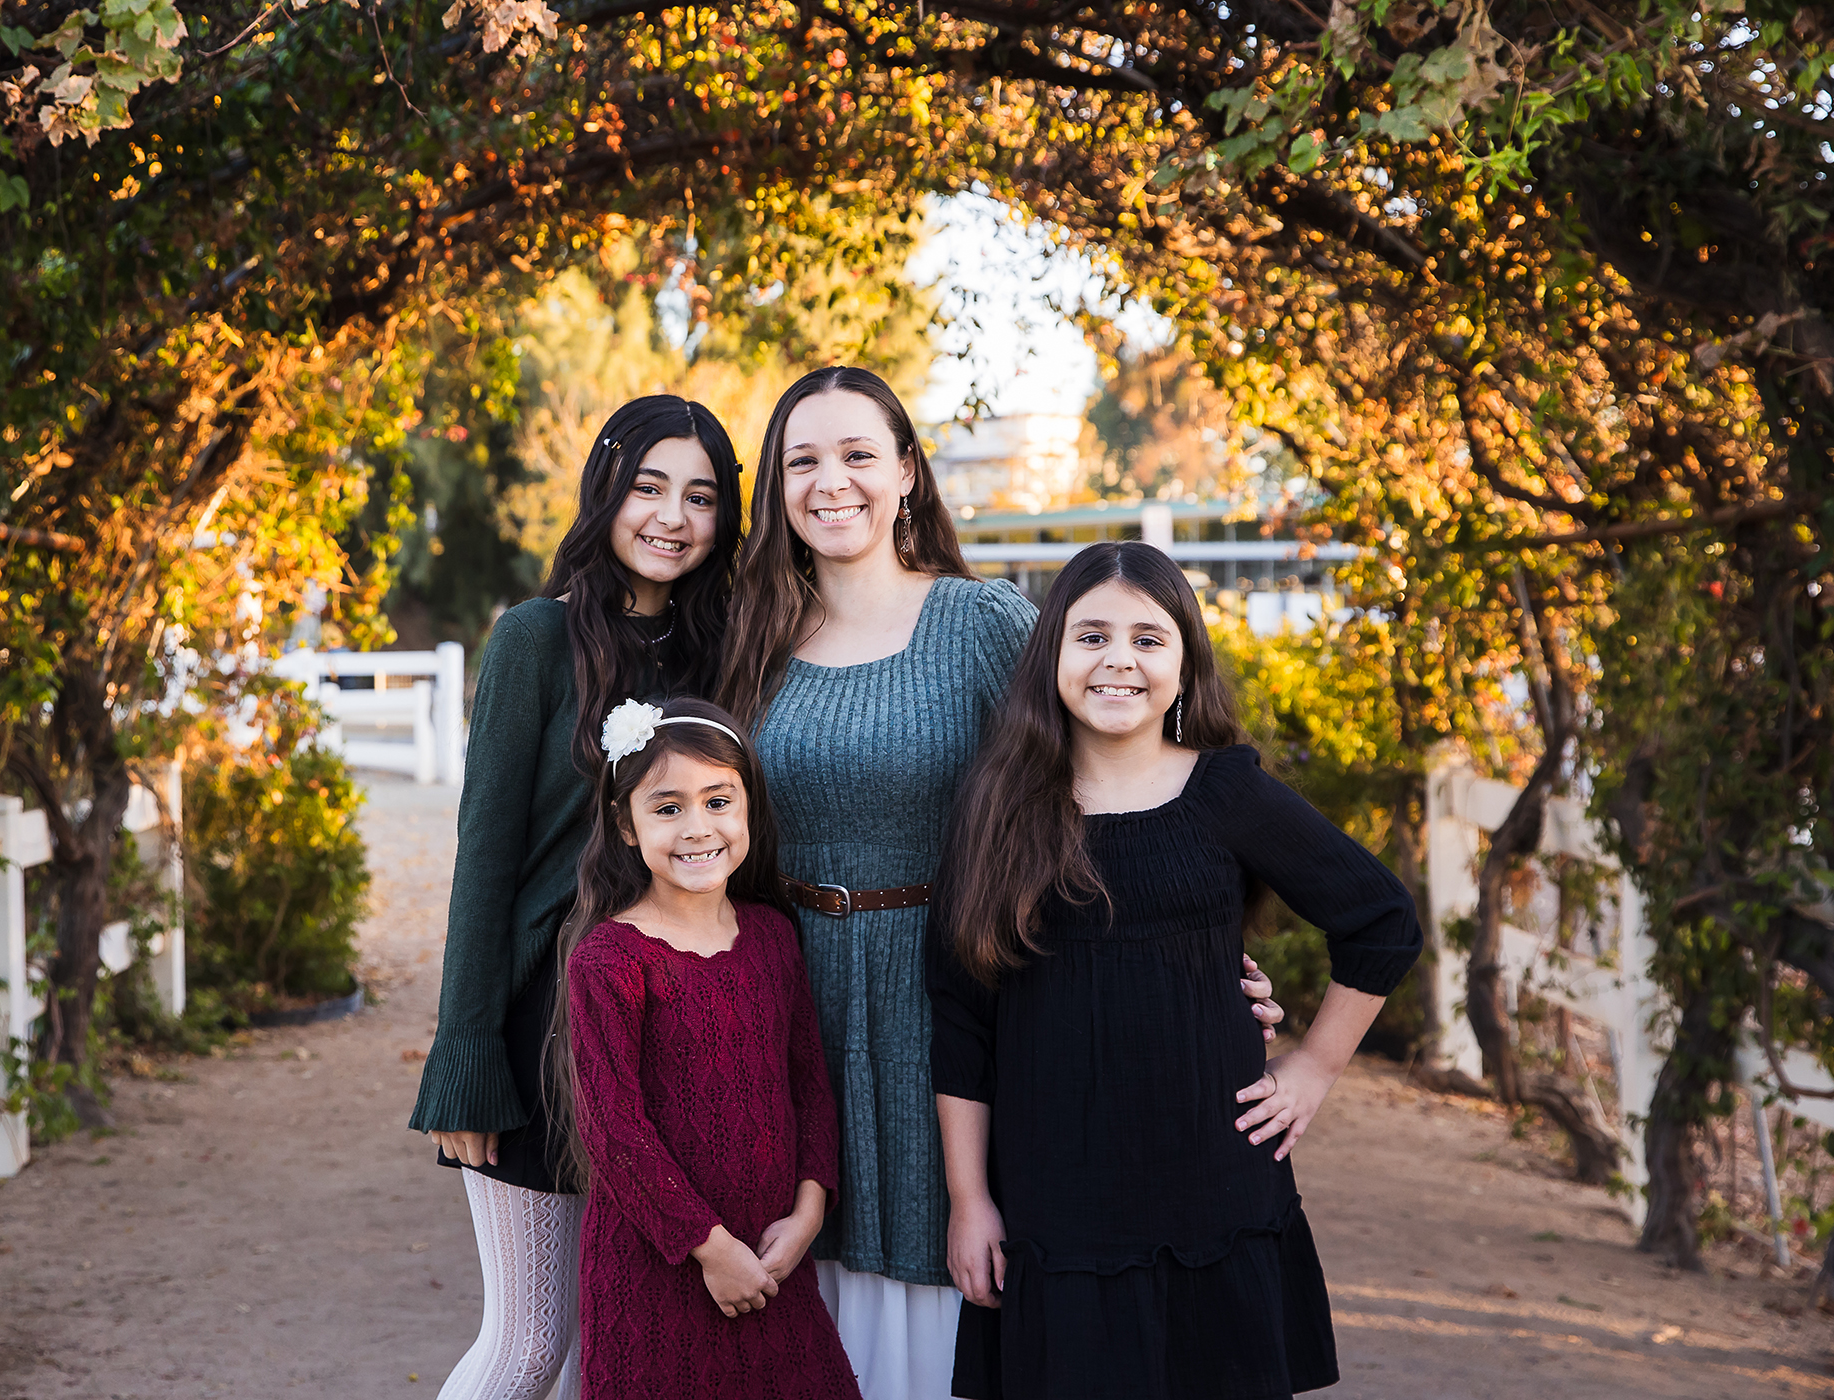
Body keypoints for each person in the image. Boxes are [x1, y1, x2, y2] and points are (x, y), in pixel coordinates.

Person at [718, 368, 1287, 1399]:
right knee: (800, 1258)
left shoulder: (983, 622)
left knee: (963, 1263)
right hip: (793, 994)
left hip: (964, 995)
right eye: (802, 459)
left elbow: (1121, 780)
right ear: (776, 487)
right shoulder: (751, 639)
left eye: (857, 454)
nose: (830, 480)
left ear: (905, 471)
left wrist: (1200, 955)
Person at [928, 541, 1424, 1400]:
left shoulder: (1226, 794)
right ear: (1051, 657)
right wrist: (970, 1200)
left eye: (1148, 639)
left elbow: (1382, 920)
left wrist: (1312, 1067)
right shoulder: (996, 807)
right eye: (1090, 636)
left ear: (1186, 663)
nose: (1118, 659)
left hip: (1214, 1193)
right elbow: (961, 1019)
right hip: (1059, 1205)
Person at [410, 396, 744, 1400]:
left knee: (613, 1348)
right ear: (605, 489)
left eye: (701, 494)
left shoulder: (729, 650)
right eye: (649, 486)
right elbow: (485, 861)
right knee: (526, 1344)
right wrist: (465, 1055)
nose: (672, 515)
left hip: (672, 1030)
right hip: (536, 1030)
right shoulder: (533, 638)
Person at [554, 697, 862, 1400]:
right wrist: (711, 1250)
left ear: (748, 806)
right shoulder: (610, 960)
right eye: (667, 808)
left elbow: (809, 1083)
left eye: (718, 800)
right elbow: (615, 1134)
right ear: (625, 826)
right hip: (660, 1270)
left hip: (772, 1258)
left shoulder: (772, 936)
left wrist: (810, 1210)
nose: (698, 828)